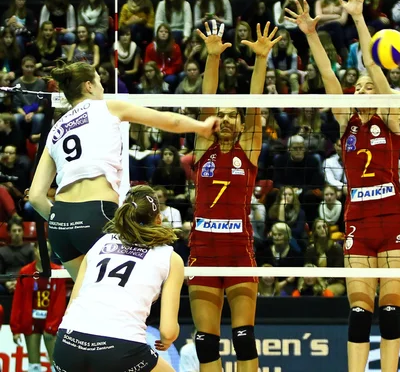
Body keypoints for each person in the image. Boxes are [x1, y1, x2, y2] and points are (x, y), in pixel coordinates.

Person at [285, 0, 400, 371]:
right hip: (357, 219)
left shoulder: (392, 117)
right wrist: (311, 36)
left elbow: (374, 66)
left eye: (366, 86)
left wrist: (359, 18)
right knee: (361, 310)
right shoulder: (346, 122)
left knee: (390, 311)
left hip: (391, 216)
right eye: (355, 87)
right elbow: (327, 75)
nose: (359, 90)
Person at [28, 60, 220, 282]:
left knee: (85, 300)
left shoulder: (57, 129)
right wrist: (202, 127)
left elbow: (35, 196)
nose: (102, 89)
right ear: (89, 86)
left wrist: (60, 218)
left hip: (60, 223)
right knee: (115, 298)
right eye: (100, 83)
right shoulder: (107, 106)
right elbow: (170, 120)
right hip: (96, 214)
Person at [188, 21, 280, 372]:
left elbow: (255, 106)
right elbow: (206, 103)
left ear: (240, 126)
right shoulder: (202, 149)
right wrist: (213, 58)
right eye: (221, 115)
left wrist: (261, 59)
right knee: (205, 342)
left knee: (243, 339)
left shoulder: (249, 151)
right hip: (203, 250)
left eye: (232, 116)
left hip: (238, 252)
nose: (225, 119)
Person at [51, 185, 185, 372]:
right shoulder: (170, 257)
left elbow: (72, 304)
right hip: (120, 348)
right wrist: (168, 340)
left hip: (67, 344)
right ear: (159, 219)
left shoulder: (100, 243)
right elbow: (167, 331)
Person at [10, 242, 66, 372]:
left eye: (47, 249)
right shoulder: (25, 272)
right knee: (34, 366)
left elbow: (60, 303)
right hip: (31, 321)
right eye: (40, 249)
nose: (44, 252)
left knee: (56, 366)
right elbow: (18, 301)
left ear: (51, 252)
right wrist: (15, 329)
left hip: (50, 323)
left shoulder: (58, 272)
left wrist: (52, 326)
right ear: (34, 250)